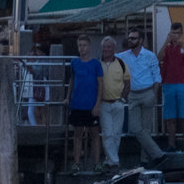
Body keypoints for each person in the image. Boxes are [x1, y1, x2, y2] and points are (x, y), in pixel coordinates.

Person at [117, 29, 167, 167]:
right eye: (129, 38)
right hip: (133, 94)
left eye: (133, 38)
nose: (130, 40)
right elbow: (110, 57)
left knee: (146, 129)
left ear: (140, 40)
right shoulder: (124, 55)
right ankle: (158, 154)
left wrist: (154, 93)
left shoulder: (150, 56)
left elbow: (157, 76)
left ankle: (145, 161)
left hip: (147, 93)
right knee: (136, 128)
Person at [65, 34, 103, 172]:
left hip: (91, 104)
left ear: (89, 46)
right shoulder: (74, 62)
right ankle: (76, 163)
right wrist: (68, 97)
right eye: (80, 45)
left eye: (84, 45)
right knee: (77, 134)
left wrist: (98, 104)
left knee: (94, 134)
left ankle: (97, 163)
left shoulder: (96, 63)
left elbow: (100, 84)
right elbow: (72, 81)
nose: (82, 48)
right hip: (77, 103)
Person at [158, 22, 184, 152]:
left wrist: (183, 47)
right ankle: (171, 144)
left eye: (177, 33)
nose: (175, 36)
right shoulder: (166, 48)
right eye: (173, 33)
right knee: (170, 117)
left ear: (181, 34)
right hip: (168, 84)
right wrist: (167, 41)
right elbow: (158, 57)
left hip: (182, 84)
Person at [97, 35, 129, 170]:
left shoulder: (121, 63)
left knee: (116, 134)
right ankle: (115, 161)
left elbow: (127, 82)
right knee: (107, 133)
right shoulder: (97, 63)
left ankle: (109, 161)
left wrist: (122, 99)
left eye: (109, 47)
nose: (106, 49)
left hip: (118, 102)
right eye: (104, 47)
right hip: (103, 103)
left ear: (114, 48)